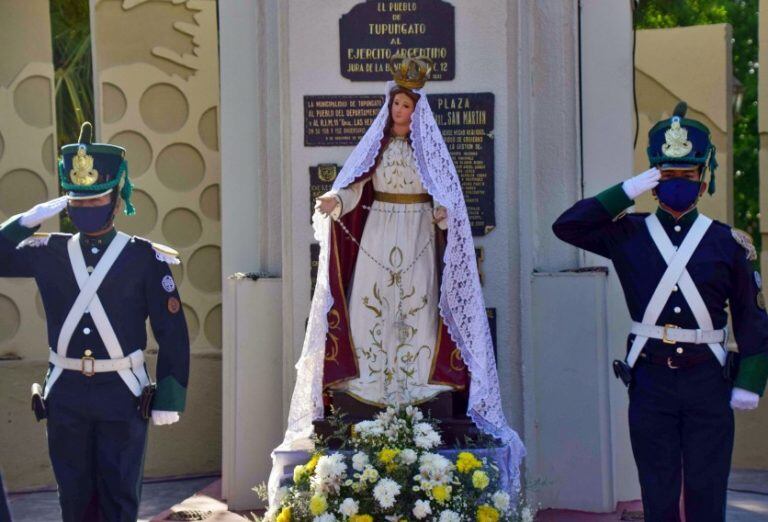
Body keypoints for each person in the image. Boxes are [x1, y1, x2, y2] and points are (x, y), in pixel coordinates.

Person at [268, 55, 524, 505]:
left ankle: (414, 389)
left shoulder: (430, 151)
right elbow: (357, 186)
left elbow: (447, 197)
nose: (398, 112)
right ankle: (370, 387)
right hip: (379, 228)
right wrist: (335, 200)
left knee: (418, 307)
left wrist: (443, 213)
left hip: (417, 233)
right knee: (371, 303)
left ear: (417, 110)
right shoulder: (377, 148)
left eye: (406, 106)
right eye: (395, 105)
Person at [553, 102, 768, 521]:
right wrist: (625, 190)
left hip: (709, 378)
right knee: (658, 488)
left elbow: (751, 315)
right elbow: (568, 226)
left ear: (703, 179)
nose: (677, 184)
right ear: (653, 179)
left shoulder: (727, 243)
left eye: (686, 175)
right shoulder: (627, 233)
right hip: (650, 377)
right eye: (667, 176)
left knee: (708, 488)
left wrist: (751, 382)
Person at [0, 123, 190, 521]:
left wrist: (171, 395)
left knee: (120, 499)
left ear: (116, 200)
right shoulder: (46, 251)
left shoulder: (144, 258)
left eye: (95, 200)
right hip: (65, 392)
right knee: (74, 500)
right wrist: (27, 220)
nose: (85, 210)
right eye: (77, 202)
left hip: (123, 393)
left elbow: (171, 330)